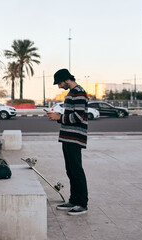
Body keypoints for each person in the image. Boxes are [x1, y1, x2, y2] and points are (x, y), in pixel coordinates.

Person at [46, 68, 89, 216]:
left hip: (75, 137)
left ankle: (82, 204)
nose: (58, 86)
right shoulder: (71, 93)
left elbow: (79, 116)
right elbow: (71, 115)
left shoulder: (79, 92)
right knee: (70, 170)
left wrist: (59, 117)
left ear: (66, 79)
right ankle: (74, 200)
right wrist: (58, 116)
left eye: (59, 83)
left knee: (76, 170)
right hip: (68, 136)